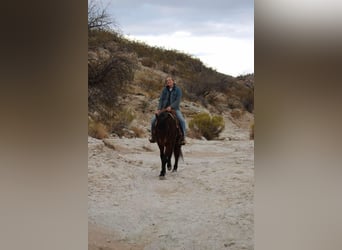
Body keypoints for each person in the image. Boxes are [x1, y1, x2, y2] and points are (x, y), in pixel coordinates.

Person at [149, 76, 187, 145]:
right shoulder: (164, 90)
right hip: (163, 109)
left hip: (174, 109)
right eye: (167, 81)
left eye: (170, 80)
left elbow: (177, 101)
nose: (168, 82)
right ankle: (153, 136)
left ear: (173, 81)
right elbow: (161, 100)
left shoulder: (178, 90)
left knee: (182, 121)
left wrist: (171, 106)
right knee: (153, 121)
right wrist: (159, 109)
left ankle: (183, 137)